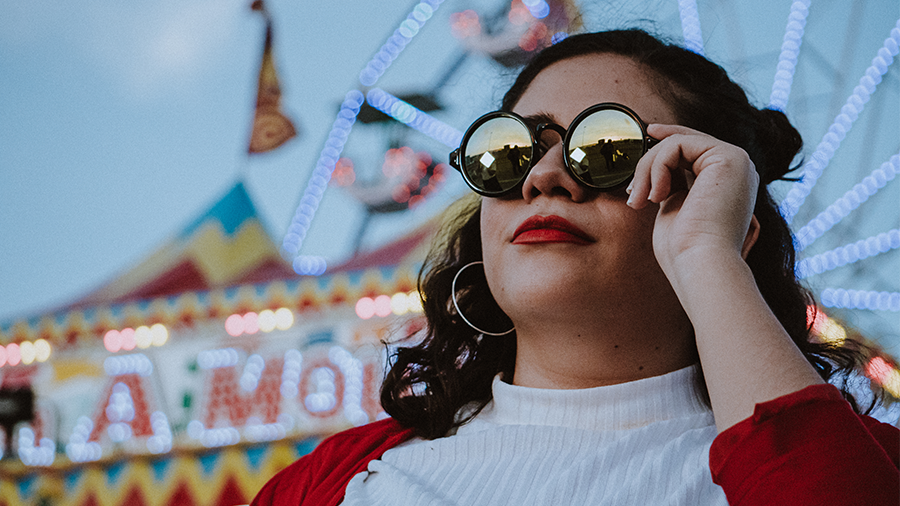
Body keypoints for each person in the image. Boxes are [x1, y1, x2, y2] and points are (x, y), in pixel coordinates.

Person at [252, 29, 899, 506]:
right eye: (509, 151)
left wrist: (708, 257)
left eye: (606, 147)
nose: (543, 177)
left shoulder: (859, 469)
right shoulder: (329, 485)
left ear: (711, 192)